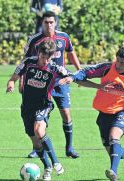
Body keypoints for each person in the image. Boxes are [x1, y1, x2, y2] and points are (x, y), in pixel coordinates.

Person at [68, 46, 124, 181]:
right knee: (112, 150)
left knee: (114, 137)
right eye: (118, 60)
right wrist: (73, 77)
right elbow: (86, 72)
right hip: (104, 113)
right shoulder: (107, 68)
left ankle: (113, 172)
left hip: (123, 111)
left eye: (122, 63)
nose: (118, 64)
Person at [6, 39, 74, 181]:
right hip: (27, 108)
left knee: (39, 130)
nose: (45, 61)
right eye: (43, 58)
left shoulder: (55, 68)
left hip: (44, 105)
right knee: (36, 143)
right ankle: (47, 167)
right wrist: (11, 84)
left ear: (52, 56)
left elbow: (72, 75)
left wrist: (68, 79)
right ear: (39, 53)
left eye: (48, 59)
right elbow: (13, 78)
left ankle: (56, 162)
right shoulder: (28, 62)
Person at [23, 11, 81, 159]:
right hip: (41, 82)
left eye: (51, 22)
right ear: (41, 23)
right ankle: (37, 148)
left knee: (66, 113)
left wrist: (80, 72)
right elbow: (26, 62)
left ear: (55, 23)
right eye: (46, 22)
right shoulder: (34, 40)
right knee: (36, 117)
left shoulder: (64, 37)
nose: (49, 25)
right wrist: (22, 81)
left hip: (60, 81)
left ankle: (69, 147)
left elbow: (71, 53)